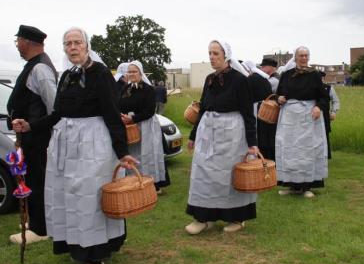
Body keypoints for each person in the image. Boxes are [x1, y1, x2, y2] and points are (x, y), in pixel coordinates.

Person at [12, 27, 138, 264]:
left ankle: (95, 258)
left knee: (90, 198)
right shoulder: (67, 76)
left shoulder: (100, 74)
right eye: (68, 43)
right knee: (69, 197)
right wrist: (30, 125)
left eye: (77, 42)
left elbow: (112, 115)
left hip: (94, 145)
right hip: (67, 145)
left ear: (86, 45)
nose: (72, 47)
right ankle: (80, 246)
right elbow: (58, 114)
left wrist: (122, 152)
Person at [186, 40, 258, 235]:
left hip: (231, 134)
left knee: (228, 175)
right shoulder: (209, 78)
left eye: (215, 53)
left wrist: (252, 144)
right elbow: (203, 107)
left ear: (226, 55)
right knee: (203, 173)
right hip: (207, 132)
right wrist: (193, 136)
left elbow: (248, 113)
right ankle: (203, 217)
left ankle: (237, 217)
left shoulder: (240, 80)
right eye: (209, 53)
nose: (211, 57)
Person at [7, 25, 58, 244]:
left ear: (27, 42)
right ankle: (36, 221)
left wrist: (32, 126)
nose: (17, 44)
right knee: (32, 179)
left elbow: (54, 106)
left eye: (18, 40)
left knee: (38, 181)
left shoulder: (40, 68)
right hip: (30, 137)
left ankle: (40, 228)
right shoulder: (33, 66)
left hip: (38, 138)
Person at [275, 46, 329, 198]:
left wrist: (318, 107)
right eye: (301, 56)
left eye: (306, 56)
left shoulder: (315, 75)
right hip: (289, 117)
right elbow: (277, 94)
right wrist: (278, 98)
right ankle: (291, 185)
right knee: (290, 150)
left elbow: (324, 96)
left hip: (308, 117)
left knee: (307, 150)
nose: (304, 58)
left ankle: (306, 186)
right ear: (295, 57)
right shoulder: (286, 75)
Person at [119, 61, 169, 193]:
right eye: (129, 72)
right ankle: (133, 181)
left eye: (134, 71)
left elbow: (150, 110)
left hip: (145, 126)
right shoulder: (125, 89)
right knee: (133, 155)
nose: (131, 74)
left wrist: (133, 118)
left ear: (141, 73)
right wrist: (122, 116)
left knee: (146, 155)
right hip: (130, 128)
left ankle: (152, 183)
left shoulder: (148, 89)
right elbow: (119, 104)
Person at [319, 71, 340, 160]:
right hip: (312, 116)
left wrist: (333, 112)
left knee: (325, 135)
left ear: (323, 78)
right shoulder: (310, 88)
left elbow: (336, 101)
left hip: (325, 116)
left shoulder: (329, 88)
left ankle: (326, 155)